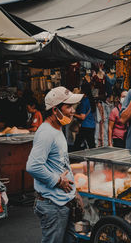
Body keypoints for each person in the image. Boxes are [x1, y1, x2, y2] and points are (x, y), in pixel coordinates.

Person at [26, 86, 84, 243]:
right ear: (54, 110)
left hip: (63, 201)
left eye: (73, 106)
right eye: (68, 107)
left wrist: (74, 192)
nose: (72, 111)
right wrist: (58, 181)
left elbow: (61, 164)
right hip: (53, 205)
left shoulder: (57, 129)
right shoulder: (46, 133)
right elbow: (33, 166)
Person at [73, 83, 96, 150]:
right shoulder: (91, 100)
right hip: (91, 125)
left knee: (77, 145)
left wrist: (73, 114)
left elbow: (82, 117)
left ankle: (75, 159)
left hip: (84, 126)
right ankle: (94, 159)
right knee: (91, 145)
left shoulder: (84, 101)